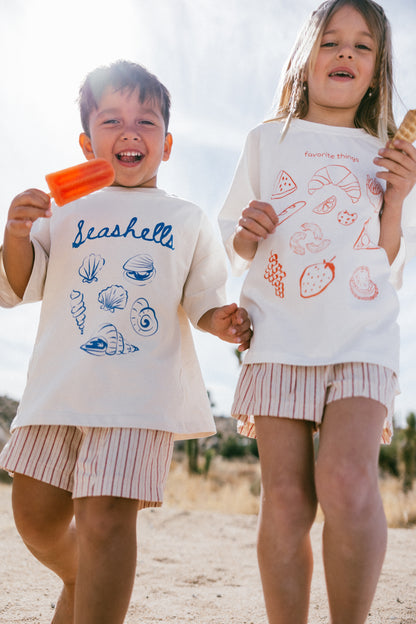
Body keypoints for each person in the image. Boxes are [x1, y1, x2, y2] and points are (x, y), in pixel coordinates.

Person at [0, 60, 251, 624]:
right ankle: (80, 574)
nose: (130, 131)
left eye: (146, 120)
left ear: (167, 142)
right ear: (87, 142)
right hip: (58, 389)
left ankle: (95, 592)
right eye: (112, 120)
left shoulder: (187, 220)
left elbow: (203, 298)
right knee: (35, 520)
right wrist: (16, 234)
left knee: (107, 518)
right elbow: (17, 286)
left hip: (138, 395)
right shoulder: (63, 210)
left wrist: (223, 322)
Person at [218, 1, 416, 623]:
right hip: (279, 336)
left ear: (377, 68)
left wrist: (399, 197)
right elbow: (234, 240)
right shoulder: (266, 141)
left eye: (363, 46)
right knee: (285, 499)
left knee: (348, 481)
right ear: (306, 57)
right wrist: (249, 233)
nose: (346, 54)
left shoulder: (385, 152)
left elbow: (385, 260)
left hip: (363, 335)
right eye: (332, 41)